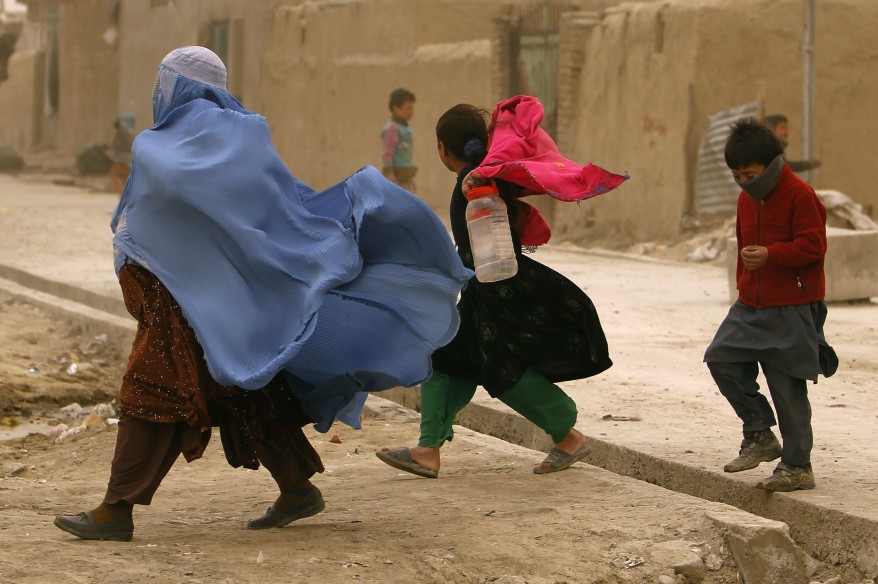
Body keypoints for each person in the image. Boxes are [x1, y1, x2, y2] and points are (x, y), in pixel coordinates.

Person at [54, 47, 470, 542]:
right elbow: (276, 205)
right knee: (245, 384)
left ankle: (115, 509)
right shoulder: (248, 134)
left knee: (154, 387)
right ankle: (295, 488)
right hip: (232, 296)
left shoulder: (154, 147)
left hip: (177, 296)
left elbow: (149, 221)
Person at [376, 97, 627, 478]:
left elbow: (481, 248)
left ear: (442, 148)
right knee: (446, 359)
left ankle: (567, 433)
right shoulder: (486, 175)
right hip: (491, 287)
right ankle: (427, 449)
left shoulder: (474, 181)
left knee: (501, 370)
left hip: (495, 289)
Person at [704, 118, 837, 492]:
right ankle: (759, 434)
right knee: (721, 358)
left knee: (787, 388)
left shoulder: (801, 195)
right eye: (737, 175)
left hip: (792, 306)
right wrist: (744, 284)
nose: (744, 181)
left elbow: (814, 246)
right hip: (751, 304)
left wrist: (772, 255)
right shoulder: (746, 199)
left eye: (750, 174)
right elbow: (743, 247)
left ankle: (797, 466)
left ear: (773, 164)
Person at [380, 88, 417, 191]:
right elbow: (387, 154)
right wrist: (391, 177)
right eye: (408, 108)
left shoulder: (405, 128)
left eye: (412, 108)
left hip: (406, 177)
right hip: (396, 179)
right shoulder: (392, 128)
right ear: (396, 108)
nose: (411, 112)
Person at [106, 112, 135, 194]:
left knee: (113, 173)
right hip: (125, 157)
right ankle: (127, 195)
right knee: (125, 175)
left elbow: (126, 145)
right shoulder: (127, 132)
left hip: (123, 157)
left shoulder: (125, 132)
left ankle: (122, 194)